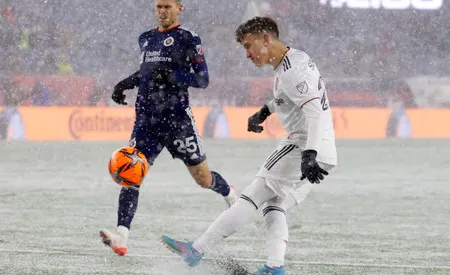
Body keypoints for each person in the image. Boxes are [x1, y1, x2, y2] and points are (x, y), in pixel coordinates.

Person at [161, 16, 338, 275]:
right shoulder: (293, 60)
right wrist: (264, 112)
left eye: (248, 45)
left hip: (305, 144)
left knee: (251, 196)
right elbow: (286, 98)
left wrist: (309, 153)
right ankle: (274, 267)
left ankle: (196, 250)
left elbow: (314, 113)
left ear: (266, 39)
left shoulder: (291, 71)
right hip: (325, 150)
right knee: (274, 205)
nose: (247, 54)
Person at [99, 0, 237, 256]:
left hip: (178, 123)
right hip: (146, 122)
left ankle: (230, 195)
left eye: (167, 6)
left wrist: (174, 76)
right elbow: (147, 73)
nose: (162, 11)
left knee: (203, 179)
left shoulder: (188, 38)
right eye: (158, 6)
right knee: (131, 175)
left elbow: (202, 79)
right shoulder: (146, 38)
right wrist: (124, 84)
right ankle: (122, 235)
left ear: (179, 8)